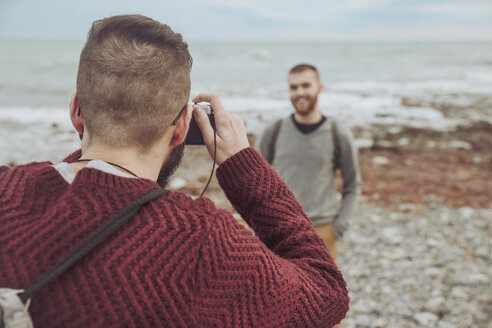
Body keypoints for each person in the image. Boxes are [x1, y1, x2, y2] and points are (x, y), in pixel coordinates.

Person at [0, 15, 349, 327]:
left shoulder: (6, 188)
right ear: (182, 127)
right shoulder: (203, 241)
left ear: (77, 110)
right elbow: (326, 293)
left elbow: (90, 192)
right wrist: (244, 165)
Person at [257, 64, 361, 261]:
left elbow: (352, 185)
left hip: (322, 231)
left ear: (319, 87)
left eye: (306, 85)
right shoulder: (274, 131)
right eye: (293, 87)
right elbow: (255, 182)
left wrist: (339, 226)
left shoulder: (337, 133)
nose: (299, 92)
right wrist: (261, 224)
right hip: (279, 230)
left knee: (324, 292)